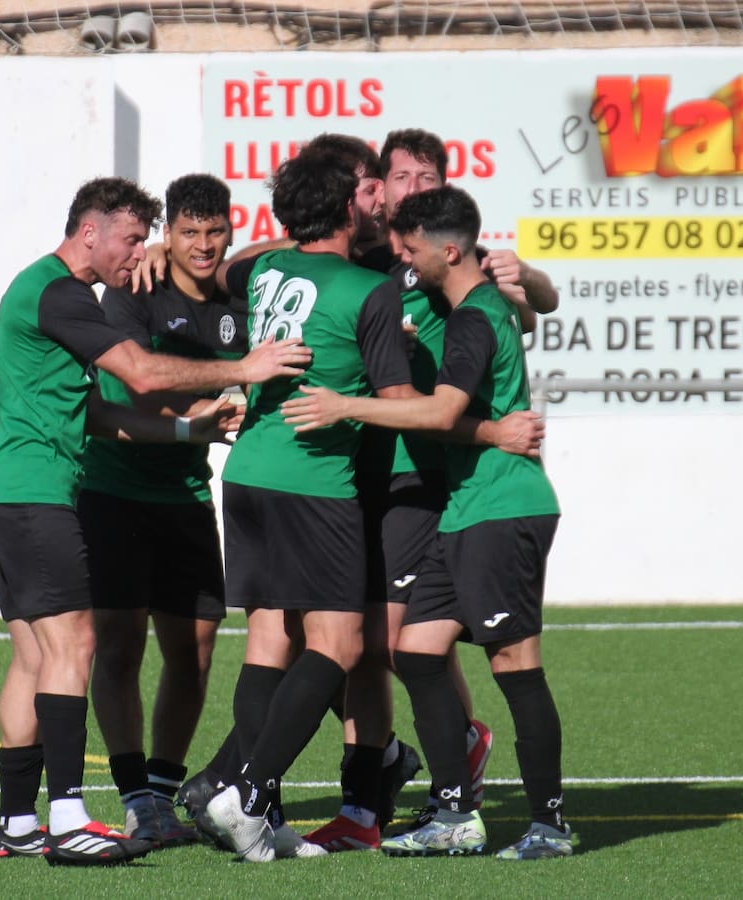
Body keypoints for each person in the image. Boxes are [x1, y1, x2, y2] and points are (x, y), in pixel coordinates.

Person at [0, 176, 310, 866]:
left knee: (36, 655)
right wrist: (246, 366)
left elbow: (95, 412)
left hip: (5, 491)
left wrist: (188, 434)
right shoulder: (61, 292)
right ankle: (66, 817)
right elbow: (142, 374)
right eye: (130, 239)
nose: (137, 254)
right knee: (77, 645)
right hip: (34, 494)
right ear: (89, 231)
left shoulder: (48, 295)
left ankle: (17, 821)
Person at [281, 184, 574, 860]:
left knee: (514, 662)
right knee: (415, 649)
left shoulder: (474, 318)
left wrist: (345, 407)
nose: (401, 258)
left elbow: (441, 414)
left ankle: (549, 825)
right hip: (467, 509)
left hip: (505, 509)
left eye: (411, 249)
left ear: (449, 250)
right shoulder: (466, 309)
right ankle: (454, 813)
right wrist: (493, 427)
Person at [203, 144, 415, 863]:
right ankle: (251, 793)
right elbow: (398, 404)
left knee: (268, 644)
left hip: (249, 472)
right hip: (314, 482)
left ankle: (262, 818)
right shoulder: (369, 290)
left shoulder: (266, 268)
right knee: (342, 646)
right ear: (348, 210)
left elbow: (234, 269)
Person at [77, 174, 244, 849]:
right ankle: (135, 797)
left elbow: (296, 245)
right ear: (167, 235)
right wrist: (202, 413)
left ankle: (163, 793)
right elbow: (138, 390)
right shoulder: (132, 293)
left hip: (187, 494)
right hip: (116, 490)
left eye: (215, 231)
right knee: (119, 645)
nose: (203, 245)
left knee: (195, 649)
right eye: (188, 232)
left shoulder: (242, 294)